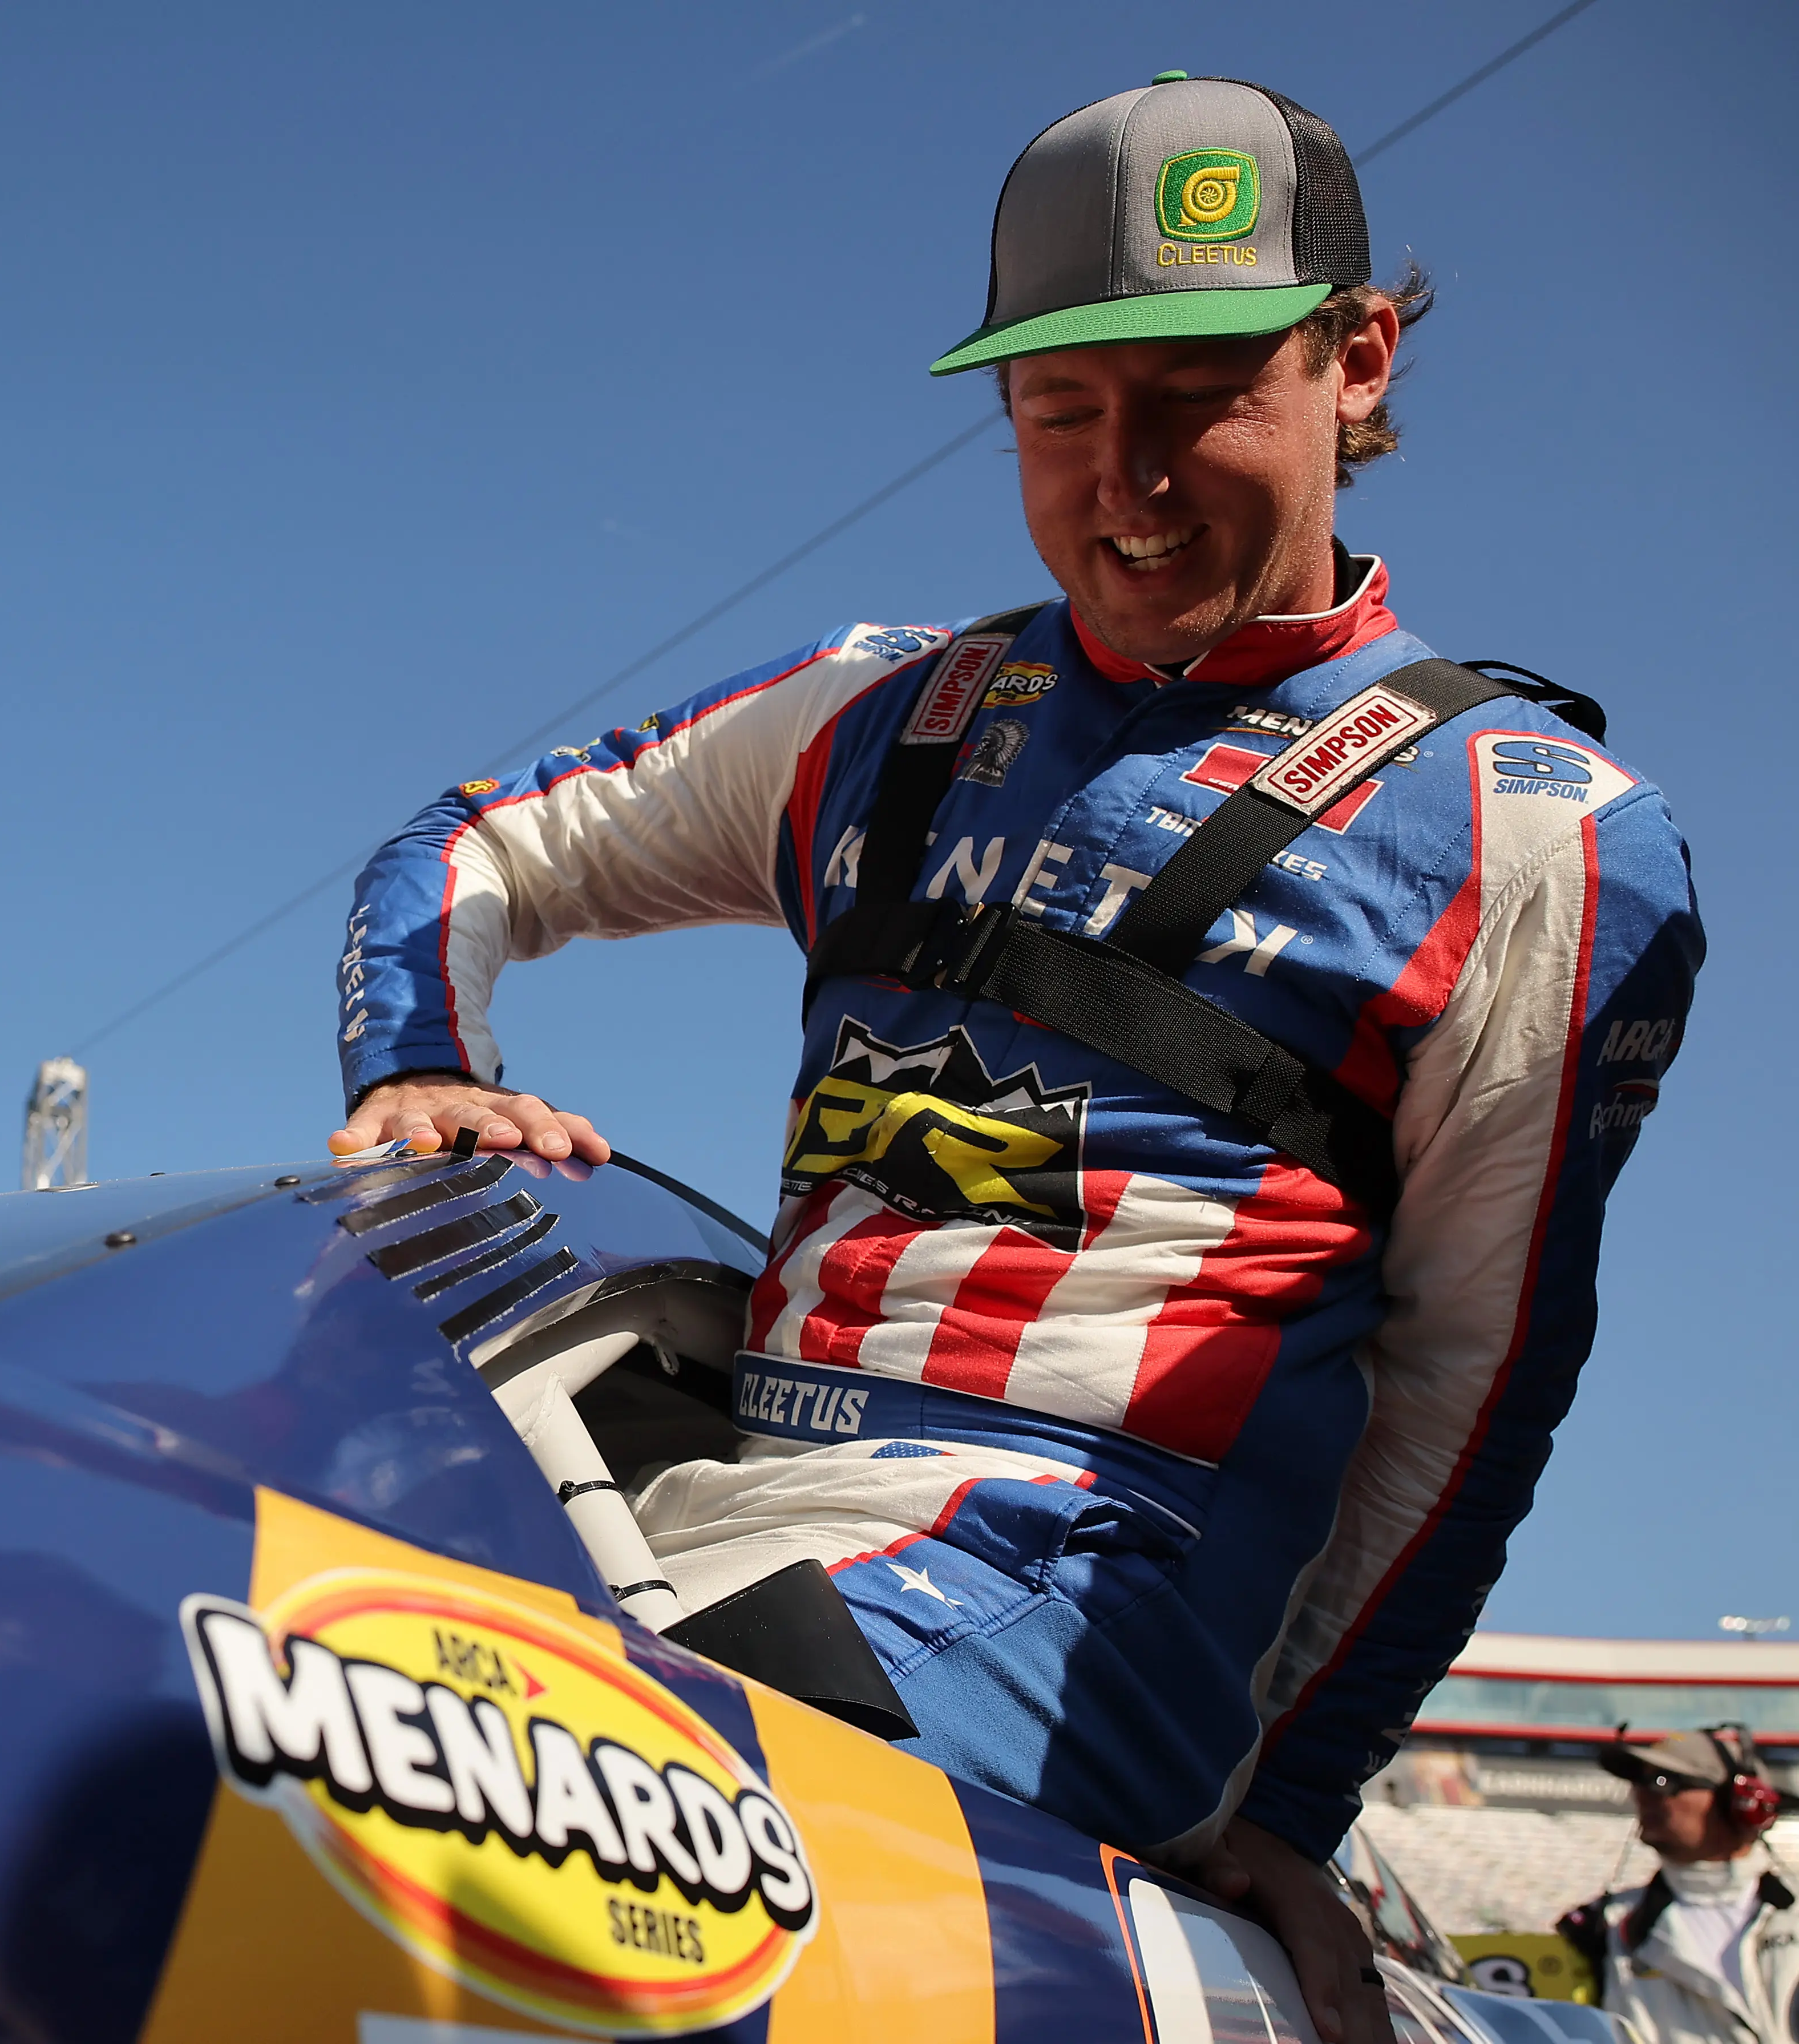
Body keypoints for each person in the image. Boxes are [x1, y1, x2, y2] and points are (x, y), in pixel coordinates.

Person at [328, 72, 1702, 2044]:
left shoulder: (1536, 828)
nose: (1120, 476)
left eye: (1191, 396)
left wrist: (1286, 1804)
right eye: (1060, 409)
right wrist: (421, 1053)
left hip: (1070, 1588)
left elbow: (1477, 1378)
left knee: (497, 1825)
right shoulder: (881, 704)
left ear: (1355, 358)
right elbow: (466, 846)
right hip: (715, 1491)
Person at [1558, 1728, 1797, 2043]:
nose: (1643, 1796)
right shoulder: (1601, 1927)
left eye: (1664, 1783)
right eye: (1639, 1783)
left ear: (1742, 1803)